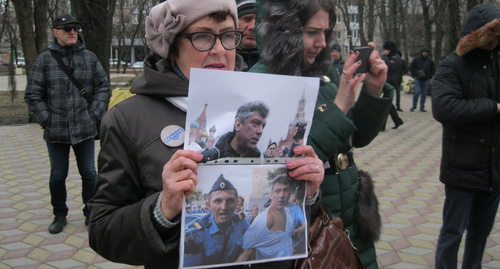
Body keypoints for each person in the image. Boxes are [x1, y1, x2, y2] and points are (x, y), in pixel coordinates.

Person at [87, 1, 325, 268]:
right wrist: (162, 209)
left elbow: (293, 220)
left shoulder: (268, 103)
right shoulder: (128, 120)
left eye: (227, 36)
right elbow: (102, 231)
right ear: (172, 46)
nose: (220, 49)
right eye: (202, 36)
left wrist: (309, 191)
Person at [250, 0, 392, 267]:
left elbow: (356, 138)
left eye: (325, 32)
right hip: (313, 223)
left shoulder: (324, 73)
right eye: (312, 32)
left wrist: (373, 91)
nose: (323, 43)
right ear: (286, 33)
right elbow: (284, 162)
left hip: (351, 210)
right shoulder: (264, 78)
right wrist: (339, 107)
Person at [24, 14, 110, 234]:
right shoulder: (44, 60)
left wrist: (93, 114)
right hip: (56, 131)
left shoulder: (89, 58)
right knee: (57, 175)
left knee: (90, 173)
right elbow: (33, 94)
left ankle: (90, 211)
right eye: (67, 29)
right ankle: (59, 214)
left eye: (75, 28)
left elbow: (103, 87)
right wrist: (48, 120)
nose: (73, 32)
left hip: (84, 128)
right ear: (55, 32)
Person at [432, 3, 500, 268]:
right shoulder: (452, 65)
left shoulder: (496, 63)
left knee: (480, 235)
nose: (495, 42)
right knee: (453, 232)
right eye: (491, 36)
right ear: (477, 35)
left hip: (493, 167)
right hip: (462, 166)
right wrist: (492, 107)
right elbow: (444, 108)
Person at [184, 175, 249, 266]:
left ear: (237, 204)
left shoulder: (241, 222)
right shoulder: (194, 234)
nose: (224, 207)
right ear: (208, 205)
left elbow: (254, 243)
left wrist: (244, 256)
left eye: (230, 201)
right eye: (218, 201)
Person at [237, 174, 296, 261]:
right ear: (271, 194)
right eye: (278, 191)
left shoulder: (287, 213)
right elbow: (245, 250)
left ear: (289, 194)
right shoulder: (263, 221)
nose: (282, 195)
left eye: (286, 190)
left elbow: (286, 238)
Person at [202, 100, 269, 160]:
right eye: (255, 124)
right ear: (238, 125)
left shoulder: (266, 162)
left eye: (263, 126)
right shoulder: (209, 158)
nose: (260, 131)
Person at [381, 41, 404, 129]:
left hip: (391, 83)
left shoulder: (396, 57)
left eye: (386, 49)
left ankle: (383, 126)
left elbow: (389, 66)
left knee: (386, 103)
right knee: (388, 103)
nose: (384, 51)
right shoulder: (390, 57)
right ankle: (397, 121)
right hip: (387, 82)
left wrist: (384, 56)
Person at [409, 47, 435, 112]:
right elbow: (411, 67)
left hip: (426, 79)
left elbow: (433, 69)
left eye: (426, 52)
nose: (425, 53)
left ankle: (422, 106)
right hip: (418, 78)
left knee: (424, 94)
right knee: (416, 92)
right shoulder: (416, 59)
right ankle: (414, 105)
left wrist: (430, 76)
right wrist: (414, 75)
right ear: (422, 52)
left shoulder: (430, 61)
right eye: (424, 52)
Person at [236, 0, 259, 70]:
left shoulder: (279, 62)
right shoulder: (219, 56)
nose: (253, 27)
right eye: (247, 19)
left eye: (259, 21)